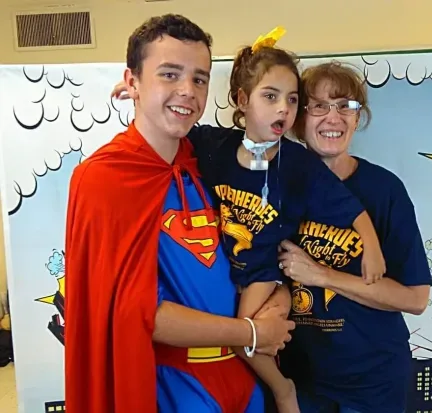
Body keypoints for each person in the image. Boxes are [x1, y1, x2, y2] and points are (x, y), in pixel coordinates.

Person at [65, 14, 296, 413]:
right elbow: (136, 313)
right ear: (132, 82)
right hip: (172, 385)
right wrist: (252, 331)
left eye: (200, 78)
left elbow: (260, 245)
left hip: (244, 378)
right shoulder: (105, 178)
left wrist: (279, 299)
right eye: (169, 75)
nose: (187, 91)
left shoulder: (208, 162)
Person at [188, 29, 386, 413]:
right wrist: (142, 99)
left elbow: (351, 208)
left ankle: (283, 390)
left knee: (241, 335)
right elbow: (171, 129)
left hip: (264, 273)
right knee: (242, 337)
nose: (283, 109)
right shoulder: (217, 147)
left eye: (292, 100)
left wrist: (373, 250)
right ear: (242, 101)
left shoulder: (298, 164)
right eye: (270, 97)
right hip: (226, 272)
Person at [276, 61, 432, 413]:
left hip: (374, 381)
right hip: (301, 380)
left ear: (357, 118)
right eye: (319, 106)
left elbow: (415, 298)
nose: (334, 117)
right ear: (299, 119)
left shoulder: (384, 190)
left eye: (345, 106)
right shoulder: (277, 188)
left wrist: (321, 275)